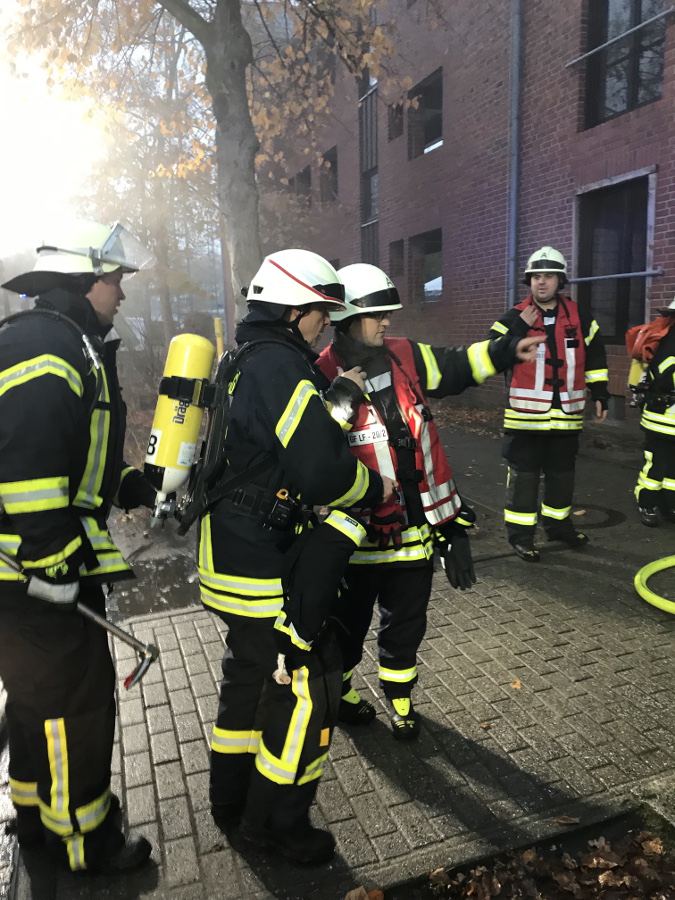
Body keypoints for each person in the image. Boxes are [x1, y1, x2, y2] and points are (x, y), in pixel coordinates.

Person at [199, 250, 391, 865]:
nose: (323, 327)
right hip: (261, 565)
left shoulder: (242, 359)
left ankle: (229, 802)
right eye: (319, 314)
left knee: (248, 679)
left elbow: (282, 445)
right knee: (310, 686)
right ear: (294, 310)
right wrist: (374, 489)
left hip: (224, 557)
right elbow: (320, 469)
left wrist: (334, 397)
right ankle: (276, 823)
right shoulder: (282, 366)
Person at [316, 263, 543, 740]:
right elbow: (312, 452)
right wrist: (339, 400)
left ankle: (400, 701)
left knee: (405, 630)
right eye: (378, 315)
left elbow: (458, 365)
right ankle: (343, 692)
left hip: (412, 538)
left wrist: (505, 352)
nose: (387, 323)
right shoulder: (319, 375)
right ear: (347, 317)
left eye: (388, 314)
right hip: (353, 544)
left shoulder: (403, 355)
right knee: (346, 629)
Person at [0, 220, 157, 873]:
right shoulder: (49, 345)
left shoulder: (56, 339)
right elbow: (31, 467)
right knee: (76, 704)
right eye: (115, 279)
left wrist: (130, 485)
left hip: (24, 573)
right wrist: (53, 563)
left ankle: (35, 817)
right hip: (34, 573)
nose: (121, 293)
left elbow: (71, 460)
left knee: (36, 697)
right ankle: (86, 842)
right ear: (86, 277)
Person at [488, 246, 609, 561]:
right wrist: (517, 328)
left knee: (561, 478)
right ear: (529, 281)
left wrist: (601, 393)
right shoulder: (515, 315)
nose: (541, 282)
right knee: (524, 480)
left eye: (549, 276)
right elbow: (491, 352)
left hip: (567, 418)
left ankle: (558, 528)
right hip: (525, 419)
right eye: (536, 277)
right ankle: (521, 536)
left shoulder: (579, 316)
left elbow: (595, 355)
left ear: (560, 280)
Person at [629, 298, 675, 526]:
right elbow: (666, 372)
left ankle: (669, 505)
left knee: (672, 468)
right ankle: (646, 503)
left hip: (667, 415)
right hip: (661, 416)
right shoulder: (667, 341)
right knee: (656, 465)